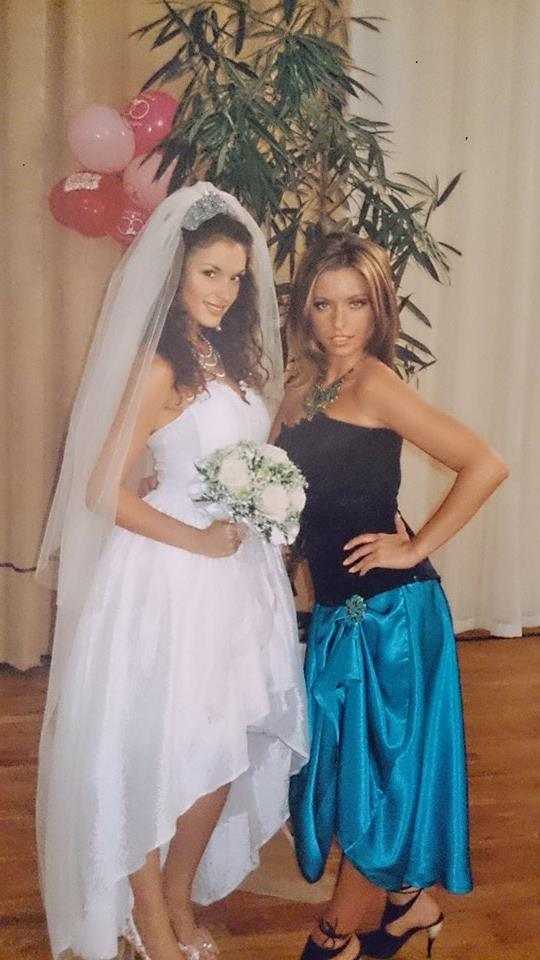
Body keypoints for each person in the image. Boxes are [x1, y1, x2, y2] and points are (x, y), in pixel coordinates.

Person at [36, 183, 308, 960]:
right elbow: (102, 490)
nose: (223, 290)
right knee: (160, 748)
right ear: (176, 274)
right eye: (208, 273)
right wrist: (198, 539)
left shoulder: (233, 362)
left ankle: (177, 895)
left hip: (236, 578)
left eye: (235, 276)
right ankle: (148, 913)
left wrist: (263, 507)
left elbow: (233, 454)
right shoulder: (160, 368)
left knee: (220, 750)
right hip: (170, 575)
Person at [273, 231, 509, 960]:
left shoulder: (375, 383)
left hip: (391, 620)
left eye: (356, 304)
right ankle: (409, 905)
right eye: (323, 304)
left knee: (376, 789)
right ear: (304, 311)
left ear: (379, 310)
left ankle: (336, 936)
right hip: (339, 618)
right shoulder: (301, 385)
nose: (340, 322)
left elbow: (484, 463)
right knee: (357, 777)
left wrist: (413, 544)